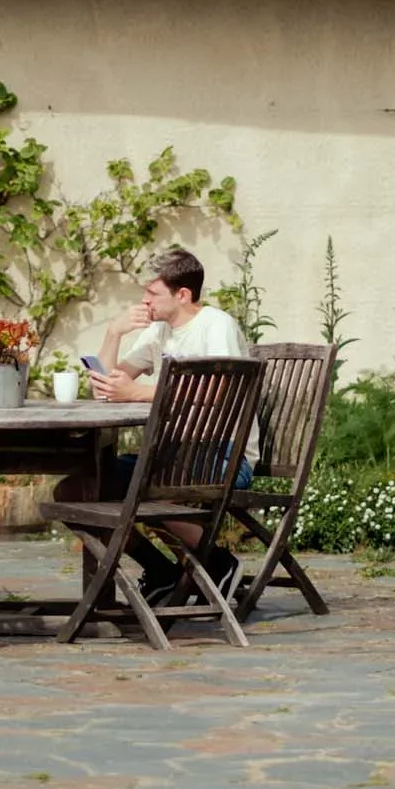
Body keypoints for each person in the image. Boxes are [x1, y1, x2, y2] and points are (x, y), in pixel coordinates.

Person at [71, 246, 249, 596]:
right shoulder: (158, 333)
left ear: (182, 294)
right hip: (171, 456)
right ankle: (160, 571)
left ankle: (217, 561)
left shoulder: (216, 325)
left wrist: (137, 393)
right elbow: (107, 388)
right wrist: (113, 333)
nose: (145, 300)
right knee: (75, 490)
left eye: (153, 292)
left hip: (224, 455)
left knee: (142, 486)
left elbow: (220, 389)